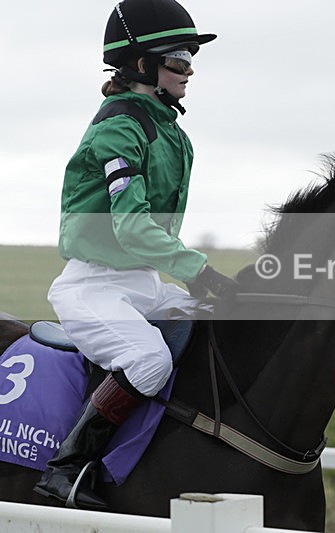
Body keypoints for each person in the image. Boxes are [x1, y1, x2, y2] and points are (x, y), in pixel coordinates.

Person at [34, 0, 237, 509]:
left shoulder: (172, 132)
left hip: (142, 283)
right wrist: (200, 271)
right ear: (142, 65)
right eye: (178, 59)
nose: (189, 70)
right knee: (147, 360)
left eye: (191, 58)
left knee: (224, 325)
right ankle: (67, 470)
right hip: (93, 285)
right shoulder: (119, 128)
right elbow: (131, 228)